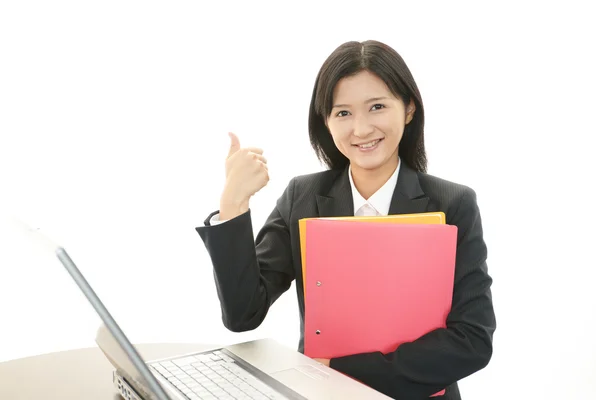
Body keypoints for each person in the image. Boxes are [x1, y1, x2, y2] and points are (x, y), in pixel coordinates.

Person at [196, 40, 496, 400]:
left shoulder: (454, 204)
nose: (362, 129)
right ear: (325, 120)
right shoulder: (302, 197)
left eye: (377, 107)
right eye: (343, 113)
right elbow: (243, 313)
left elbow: (473, 339)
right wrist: (234, 204)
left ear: (409, 108)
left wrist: (337, 371)